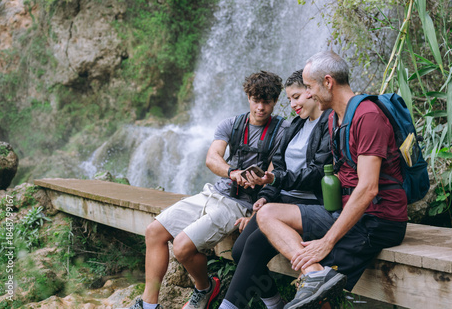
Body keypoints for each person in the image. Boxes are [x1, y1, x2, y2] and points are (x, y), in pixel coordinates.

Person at [125, 71, 290, 309]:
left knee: (181, 247)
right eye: (256, 100)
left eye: (267, 102)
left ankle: (205, 288)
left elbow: (275, 176)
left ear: (275, 101)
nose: (261, 107)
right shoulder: (232, 124)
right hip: (213, 193)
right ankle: (149, 305)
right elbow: (212, 157)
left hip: (239, 205)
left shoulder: (282, 131)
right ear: (248, 96)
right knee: (153, 232)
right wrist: (232, 172)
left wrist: (256, 214)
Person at [257, 51, 408, 309]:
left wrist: (327, 241)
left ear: (328, 82)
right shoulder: (336, 120)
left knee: (318, 301)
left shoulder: (367, 116)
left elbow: (369, 188)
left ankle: (317, 280)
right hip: (346, 212)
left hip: (377, 219)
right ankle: (316, 275)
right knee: (268, 214)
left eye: (309, 86)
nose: (308, 94)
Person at [218, 69, 332, 309]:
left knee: (254, 246)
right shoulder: (295, 126)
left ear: (312, 93)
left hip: (309, 205)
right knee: (239, 251)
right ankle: (274, 303)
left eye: (297, 97)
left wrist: (274, 182)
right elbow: (278, 167)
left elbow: (317, 173)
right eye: (289, 99)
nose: (292, 104)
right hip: (282, 202)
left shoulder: (328, 124)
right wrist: (265, 196)